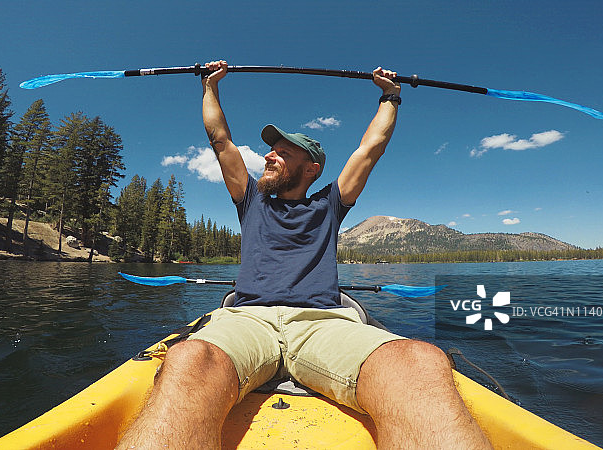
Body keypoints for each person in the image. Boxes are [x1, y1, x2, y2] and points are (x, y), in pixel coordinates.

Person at [118, 60, 491, 449]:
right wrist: (210, 87)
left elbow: (370, 149)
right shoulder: (251, 200)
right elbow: (220, 139)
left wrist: (390, 96)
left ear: (311, 169)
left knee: (420, 361)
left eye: (282, 152)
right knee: (189, 360)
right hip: (247, 319)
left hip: (322, 323)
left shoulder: (329, 205)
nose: (268, 156)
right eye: (270, 151)